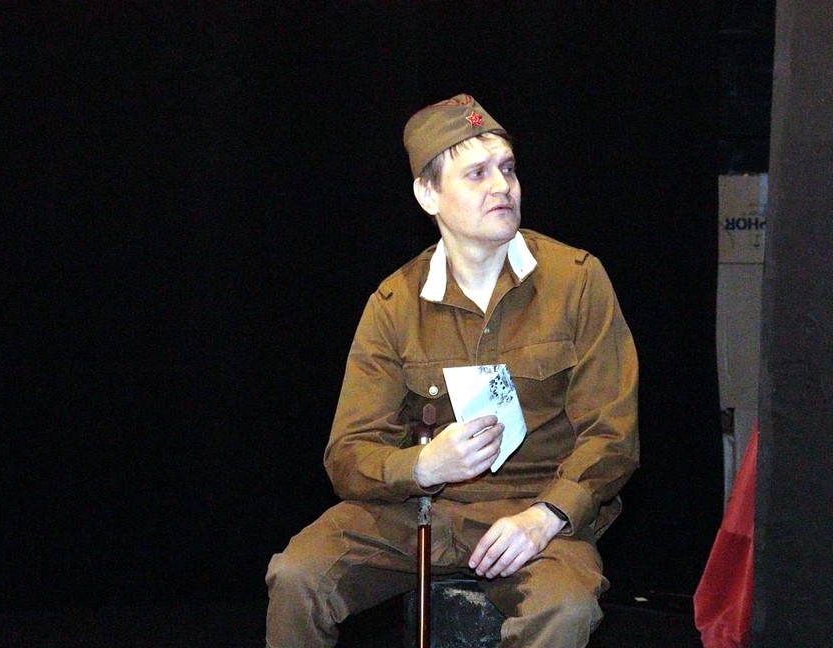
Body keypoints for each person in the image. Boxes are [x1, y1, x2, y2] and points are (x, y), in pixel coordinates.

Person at [265, 93, 639, 648]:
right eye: (477, 173)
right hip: (421, 511)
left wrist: (547, 516)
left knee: (566, 607)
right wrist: (422, 465)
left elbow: (612, 435)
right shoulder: (395, 304)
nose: (502, 186)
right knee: (298, 575)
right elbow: (348, 453)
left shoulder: (577, 281)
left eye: (508, 169)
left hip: (536, 512)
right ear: (428, 194)